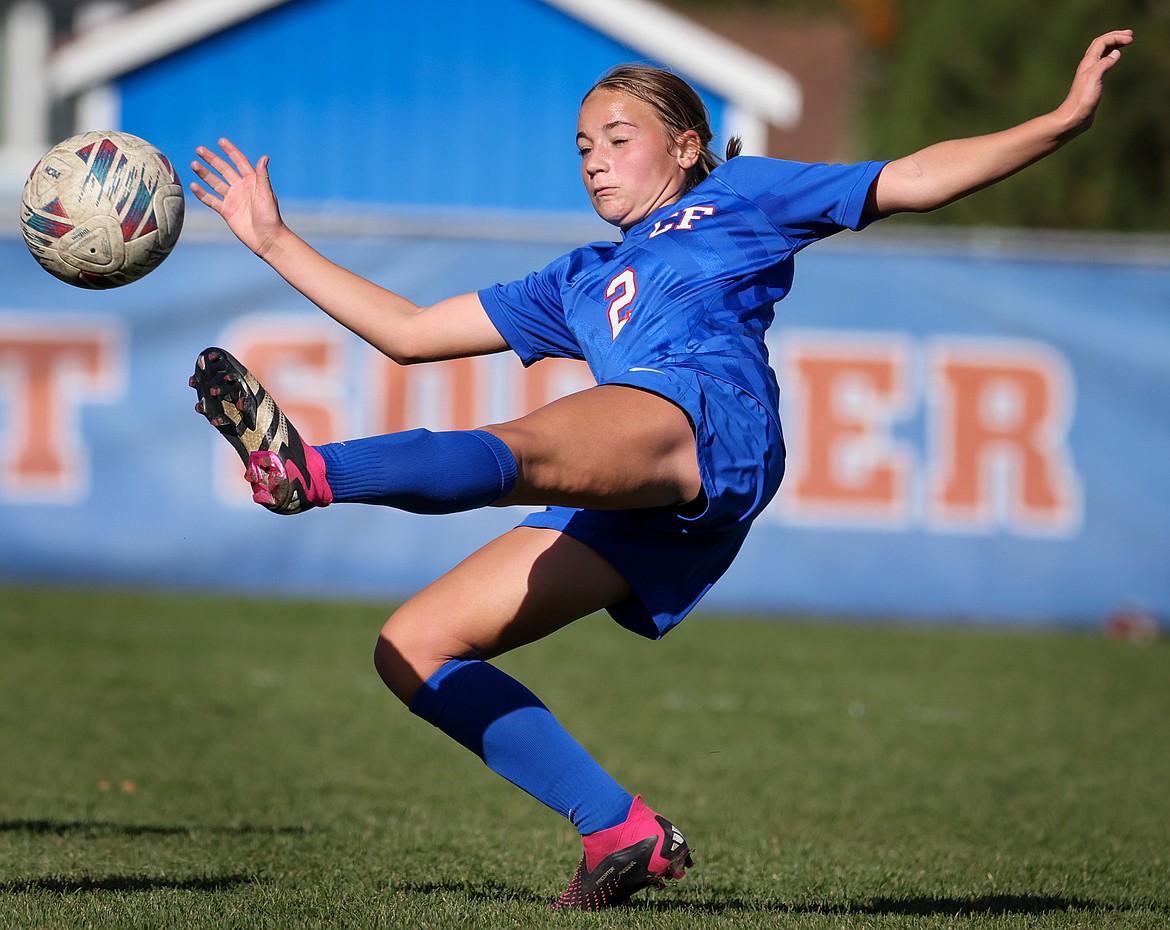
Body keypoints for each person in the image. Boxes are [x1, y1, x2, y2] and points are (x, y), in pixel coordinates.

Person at [189, 30, 1131, 909]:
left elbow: (914, 178)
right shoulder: (578, 277)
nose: (594, 155)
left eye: (618, 135)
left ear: (686, 147)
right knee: (414, 647)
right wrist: (272, 239)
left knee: (534, 443)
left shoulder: (743, 195)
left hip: (707, 419)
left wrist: (1060, 120)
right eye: (581, 143)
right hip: (640, 480)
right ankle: (620, 832)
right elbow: (407, 333)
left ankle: (310, 470)